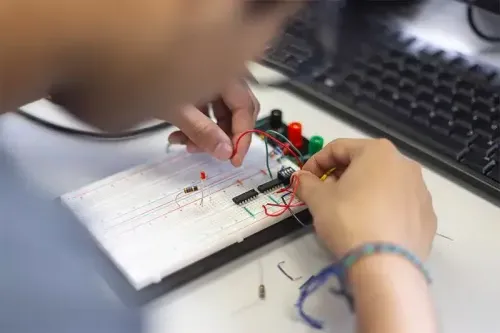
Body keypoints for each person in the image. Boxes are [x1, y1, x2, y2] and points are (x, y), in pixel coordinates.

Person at [0, 1, 437, 333]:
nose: (240, 65)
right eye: (278, 27)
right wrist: (389, 270)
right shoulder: (42, 286)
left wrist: (87, 59)